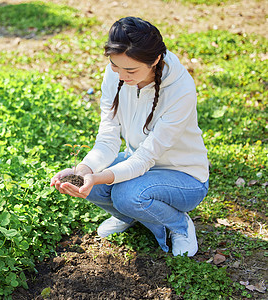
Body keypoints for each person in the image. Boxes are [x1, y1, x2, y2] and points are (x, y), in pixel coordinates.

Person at [50, 16, 209, 257]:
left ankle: (178, 225)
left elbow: (146, 157)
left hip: (184, 177)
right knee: (88, 184)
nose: (122, 75)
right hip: (139, 165)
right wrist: (84, 170)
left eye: (131, 70)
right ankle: (132, 216)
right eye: (115, 66)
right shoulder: (116, 74)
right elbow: (107, 138)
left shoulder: (180, 90)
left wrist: (100, 176)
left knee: (127, 195)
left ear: (155, 60)